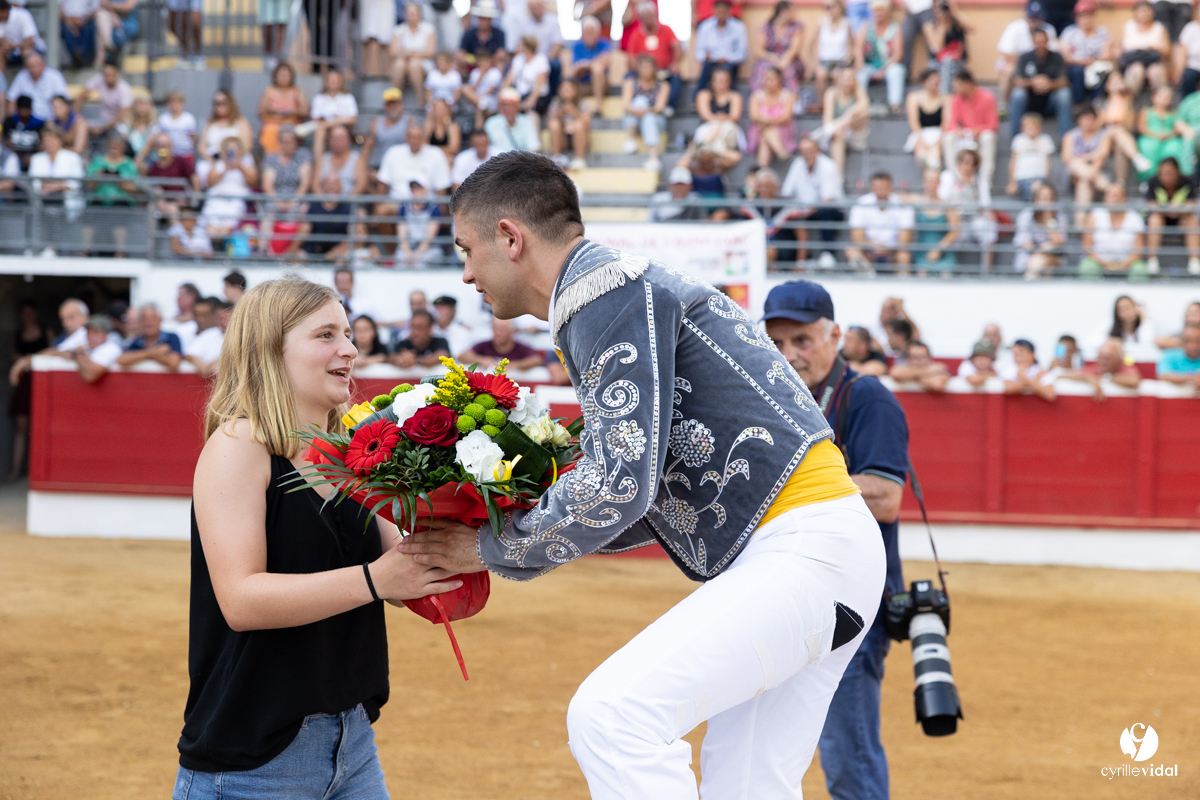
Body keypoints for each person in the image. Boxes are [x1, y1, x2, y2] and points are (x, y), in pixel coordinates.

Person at [406, 152, 886, 799]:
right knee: (746, 789)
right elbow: (636, 493)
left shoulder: (601, 293)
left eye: (466, 249)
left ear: (510, 238)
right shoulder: (616, 287)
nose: (465, 273)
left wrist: (490, 545)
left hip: (801, 549)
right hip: (819, 547)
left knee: (613, 717)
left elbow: (616, 487)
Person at [177, 277, 458, 796]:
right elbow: (241, 600)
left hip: (351, 741)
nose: (350, 349)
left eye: (348, 334)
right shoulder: (240, 444)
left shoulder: (349, 451)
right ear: (270, 348)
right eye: (326, 334)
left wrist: (473, 515)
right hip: (253, 759)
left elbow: (403, 572)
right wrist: (376, 579)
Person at [754, 281, 908, 800]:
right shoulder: (768, 398)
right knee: (768, 745)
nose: (789, 355)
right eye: (775, 343)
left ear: (835, 335)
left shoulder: (865, 396)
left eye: (802, 340)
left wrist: (780, 481)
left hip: (851, 605)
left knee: (847, 754)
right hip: (781, 596)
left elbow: (886, 496)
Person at [778, 136, 846, 264]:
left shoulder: (828, 166)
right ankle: (798, 259)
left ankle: (828, 255)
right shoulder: (798, 163)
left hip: (829, 209)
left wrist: (804, 213)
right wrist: (795, 212)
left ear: (817, 151)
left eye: (810, 151)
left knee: (826, 213)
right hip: (803, 210)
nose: (807, 155)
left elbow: (827, 199)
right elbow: (786, 193)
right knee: (785, 216)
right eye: (803, 152)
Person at [995, 1, 1058, 112]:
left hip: (1042, 67)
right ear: (1025, 16)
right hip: (1019, 65)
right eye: (1031, 18)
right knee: (1008, 69)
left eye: (1037, 18)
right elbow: (1006, 53)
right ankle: (1003, 105)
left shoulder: (1048, 29)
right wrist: (1026, 64)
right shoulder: (1014, 28)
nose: (1034, 21)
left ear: (1042, 17)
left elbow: (1053, 55)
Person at [1010, 29, 1071, 139]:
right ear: (1033, 42)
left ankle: (1065, 138)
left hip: (1050, 102)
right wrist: (1032, 82)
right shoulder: (1024, 57)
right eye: (1037, 42)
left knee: (1064, 94)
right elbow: (1016, 81)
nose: (1040, 45)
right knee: (1017, 94)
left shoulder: (1057, 57)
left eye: (1043, 41)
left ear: (1048, 41)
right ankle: (1016, 137)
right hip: (1029, 102)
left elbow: (1064, 81)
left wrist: (1049, 84)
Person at [847, 172, 915, 272]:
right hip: (868, 252)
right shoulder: (861, 203)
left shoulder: (903, 205)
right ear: (871, 188)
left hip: (893, 253)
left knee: (904, 256)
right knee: (852, 252)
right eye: (877, 188)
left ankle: (902, 285)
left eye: (884, 188)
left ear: (891, 187)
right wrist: (872, 245)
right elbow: (856, 238)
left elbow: (904, 240)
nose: (880, 192)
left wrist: (887, 248)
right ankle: (866, 281)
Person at [1145, 156, 1200, 274]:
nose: (1166, 177)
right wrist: (1169, 210)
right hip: (1161, 219)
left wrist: (1177, 210)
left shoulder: (1187, 182)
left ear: (1177, 172)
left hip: (1182, 219)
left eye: (1169, 173)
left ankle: (1194, 261)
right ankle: (1152, 260)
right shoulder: (1153, 182)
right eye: (1163, 173)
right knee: (1154, 219)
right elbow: (1151, 205)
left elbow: (1191, 205)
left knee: (1192, 220)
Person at [1080, 184, 1148, 278]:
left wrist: (1122, 265)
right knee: (1087, 267)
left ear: (1124, 199)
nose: (1114, 199)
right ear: (1105, 199)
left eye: (1117, 195)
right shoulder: (1095, 215)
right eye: (1110, 195)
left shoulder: (1134, 217)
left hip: (1128, 262)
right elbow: (1088, 248)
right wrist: (1106, 264)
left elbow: (1138, 251)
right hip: (1099, 261)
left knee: (1140, 270)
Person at [625, 3, 684, 110]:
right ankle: (632, 104)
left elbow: (678, 49)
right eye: (643, 17)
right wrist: (641, 70)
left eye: (649, 16)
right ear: (639, 18)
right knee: (628, 76)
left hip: (665, 70)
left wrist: (675, 64)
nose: (646, 19)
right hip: (643, 72)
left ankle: (669, 106)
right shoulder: (636, 35)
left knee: (676, 75)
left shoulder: (666, 29)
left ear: (654, 15)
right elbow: (631, 59)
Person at [198, 136, 257, 240]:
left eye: (234, 148)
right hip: (215, 202)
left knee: (223, 232)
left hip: (235, 203)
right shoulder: (218, 163)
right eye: (228, 148)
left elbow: (253, 182)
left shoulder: (246, 164)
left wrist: (239, 167)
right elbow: (209, 182)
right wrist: (225, 168)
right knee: (211, 232)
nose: (231, 151)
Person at [1063, 106, 1112, 225]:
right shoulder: (1070, 135)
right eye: (1085, 118)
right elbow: (1067, 158)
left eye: (1090, 119)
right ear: (1079, 120)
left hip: (1094, 173)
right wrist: (1091, 156)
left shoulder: (1103, 135)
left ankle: (1080, 225)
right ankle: (1110, 189)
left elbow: (1102, 155)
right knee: (1075, 164)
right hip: (1075, 174)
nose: (1088, 122)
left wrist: (1083, 158)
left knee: (1084, 183)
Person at [621, 55, 670, 172]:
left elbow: (659, 108)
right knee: (639, 101)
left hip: (655, 120)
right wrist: (642, 111)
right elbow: (626, 106)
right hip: (633, 119)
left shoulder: (663, 85)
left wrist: (645, 112)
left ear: (654, 68)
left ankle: (653, 158)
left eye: (648, 67)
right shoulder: (630, 83)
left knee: (648, 117)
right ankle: (631, 139)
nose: (645, 70)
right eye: (642, 67)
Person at [1136, 85, 1195, 181]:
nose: (1167, 99)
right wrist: (1157, 135)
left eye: (1169, 97)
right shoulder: (1146, 111)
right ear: (1154, 97)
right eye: (1163, 96)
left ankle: (1174, 178)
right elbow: (1142, 128)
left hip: (1169, 139)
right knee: (1149, 148)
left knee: (1175, 147)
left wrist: (1168, 135)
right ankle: (1148, 179)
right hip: (1150, 138)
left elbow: (1177, 129)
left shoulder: (1174, 113)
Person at [1061, 0, 1114, 105]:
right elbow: (1066, 57)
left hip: (1096, 64)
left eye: (1089, 16)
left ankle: (1097, 103)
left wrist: (1093, 61)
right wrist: (1083, 62)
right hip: (1077, 65)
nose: (1086, 19)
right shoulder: (1069, 33)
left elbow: (1107, 54)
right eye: (1082, 16)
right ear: (1076, 18)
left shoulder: (1102, 32)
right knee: (1077, 71)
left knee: (1102, 69)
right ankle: (1078, 103)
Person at [819, 66, 869, 175]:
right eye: (845, 78)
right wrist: (839, 127)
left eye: (851, 78)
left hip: (855, 133)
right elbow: (827, 120)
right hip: (836, 134)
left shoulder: (858, 91)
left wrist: (847, 116)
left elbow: (864, 106)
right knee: (838, 135)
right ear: (839, 79)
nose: (848, 82)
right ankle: (838, 176)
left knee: (862, 114)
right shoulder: (831, 93)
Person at [809, 0, 857, 110]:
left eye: (832, 6)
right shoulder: (821, 22)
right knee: (821, 75)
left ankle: (838, 106)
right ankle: (823, 105)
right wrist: (814, 63)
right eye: (826, 7)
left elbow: (852, 45)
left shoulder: (846, 23)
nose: (829, 10)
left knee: (838, 76)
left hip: (840, 61)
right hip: (824, 61)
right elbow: (810, 45)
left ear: (839, 7)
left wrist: (848, 61)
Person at [751, 1, 805, 97]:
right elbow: (758, 50)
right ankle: (761, 100)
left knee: (787, 69)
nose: (795, 13)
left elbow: (794, 48)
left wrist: (784, 60)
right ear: (783, 12)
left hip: (789, 59)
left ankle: (792, 101)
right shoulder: (766, 27)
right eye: (793, 10)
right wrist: (772, 57)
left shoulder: (797, 27)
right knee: (764, 69)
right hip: (770, 58)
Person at [859, 0, 905, 114]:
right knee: (860, 75)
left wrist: (883, 71)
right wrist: (860, 65)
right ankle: (861, 105)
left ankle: (894, 104)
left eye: (881, 10)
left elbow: (897, 54)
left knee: (897, 71)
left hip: (887, 65)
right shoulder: (866, 26)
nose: (878, 13)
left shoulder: (895, 28)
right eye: (876, 10)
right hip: (869, 65)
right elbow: (858, 49)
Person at [694, 0, 748, 95]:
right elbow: (699, 52)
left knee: (729, 70)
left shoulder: (739, 27)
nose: (721, 14)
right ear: (714, 10)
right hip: (711, 62)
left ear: (729, 11)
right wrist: (705, 56)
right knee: (706, 68)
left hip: (730, 63)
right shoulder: (705, 26)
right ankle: (698, 99)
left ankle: (731, 101)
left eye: (724, 11)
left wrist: (727, 58)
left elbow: (742, 53)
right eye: (719, 11)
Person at [1014, 183, 1068, 277]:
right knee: (1039, 263)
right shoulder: (1026, 215)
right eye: (1044, 199)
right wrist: (1043, 249)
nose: (1048, 203)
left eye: (1051, 199)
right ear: (1036, 200)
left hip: (1053, 258)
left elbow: (1059, 243)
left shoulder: (1060, 217)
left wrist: (1049, 220)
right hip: (1029, 257)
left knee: (1042, 263)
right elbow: (1026, 244)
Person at [746, 66, 796, 169]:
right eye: (767, 79)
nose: (769, 82)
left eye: (772, 79)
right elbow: (753, 116)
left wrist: (767, 120)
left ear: (779, 79)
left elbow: (786, 117)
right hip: (759, 131)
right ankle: (781, 152)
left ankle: (761, 170)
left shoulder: (788, 95)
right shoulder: (756, 95)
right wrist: (767, 121)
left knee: (765, 136)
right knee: (765, 133)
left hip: (782, 132)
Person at [1061, 336, 1141, 400]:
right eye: (1101, 357)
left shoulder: (1127, 369)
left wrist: (1105, 378)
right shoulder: (1094, 369)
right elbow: (1065, 376)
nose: (1103, 362)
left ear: (1119, 360)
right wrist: (1088, 378)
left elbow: (1134, 381)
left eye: (1108, 358)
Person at [911, 168, 958, 275]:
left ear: (939, 183)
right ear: (924, 182)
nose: (931, 184)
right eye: (928, 180)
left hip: (943, 251)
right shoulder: (917, 200)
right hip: (922, 251)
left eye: (934, 180)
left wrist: (938, 249)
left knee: (945, 274)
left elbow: (955, 231)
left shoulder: (947, 205)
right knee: (922, 273)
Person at [256, 62, 308, 155]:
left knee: (287, 131)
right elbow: (260, 112)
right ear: (275, 76)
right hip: (273, 122)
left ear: (291, 76)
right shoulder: (269, 91)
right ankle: (272, 158)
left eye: (286, 75)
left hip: (291, 123)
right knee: (270, 130)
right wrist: (273, 111)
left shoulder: (297, 91)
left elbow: (305, 112)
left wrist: (293, 111)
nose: (283, 78)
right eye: (281, 75)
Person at [1120, 0, 1171, 94]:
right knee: (1137, 70)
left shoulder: (1159, 27)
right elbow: (1121, 49)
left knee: (1155, 71)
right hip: (1133, 62)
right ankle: (1131, 99)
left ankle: (1159, 101)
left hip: (1154, 62)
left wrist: (1153, 48)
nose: (1144, 14)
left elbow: (1167, 51)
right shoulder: (1129, 26)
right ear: (1135, 12)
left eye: (1147, 11)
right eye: (1141, 11)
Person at [391, 2, 436, 106]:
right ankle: (394, 100)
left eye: (414, 13)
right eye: (409, 13)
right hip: (404, 63)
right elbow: (393, 51)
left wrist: (411, 54)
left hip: (423, 63)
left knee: (414, 64)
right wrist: (410, 55)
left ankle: (421, 101)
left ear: (419, 14)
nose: (411, 16)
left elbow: (430, 52)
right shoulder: (399, 29)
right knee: (399, 64)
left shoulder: (428, 29)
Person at [459, 316, 544, 370]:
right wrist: (482, 360)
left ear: (512, 331)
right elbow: (462, 356)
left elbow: (537, 360)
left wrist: (512, 366)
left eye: (502, 329)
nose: (497, 333)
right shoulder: (484, 346)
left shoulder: (522, 348)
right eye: (495, 329)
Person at [117, 303, 182, 371]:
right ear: (140, 322)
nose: (149, 323)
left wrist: (140, 355)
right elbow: (122, 360)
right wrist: (152, 353)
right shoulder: (137, 341)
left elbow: (174, 362)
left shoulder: (171, 338)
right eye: (145, 319)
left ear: (160, 320)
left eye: (153, 318)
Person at [904, 69, 946, 173]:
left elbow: (946, 121)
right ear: (924, 81)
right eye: (932, 80)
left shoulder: (946, 98)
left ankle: (933, 172)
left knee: (935, 153)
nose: (935, 84)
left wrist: (939, 139)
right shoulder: (914, 97)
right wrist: (920, 138)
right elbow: (913, 120)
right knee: (921, 153)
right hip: (921, 133)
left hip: (939, 133)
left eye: (938, 81)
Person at [396, 178, 443, 267]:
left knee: (421, 264)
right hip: (409, 249)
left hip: (429, 249)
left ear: (426, 190)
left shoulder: (434, 208)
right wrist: (408, 254)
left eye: (419, 188)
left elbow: (429, 238)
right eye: (413, 188)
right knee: (401, 262)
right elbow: (402, 236)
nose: (415, 191)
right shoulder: (404, 207)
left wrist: (416, 256)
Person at [1007, 112, 1055, 200]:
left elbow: (1048, 162)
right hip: (1022, 177)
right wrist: (1013, 183)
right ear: (1023, 129)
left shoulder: (1045, 140)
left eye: (1036, 128)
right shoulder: (1018, 140)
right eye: (1030, 128)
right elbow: (1013, 162)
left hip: (1040, 176)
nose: (1033, 131)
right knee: (1034, 191)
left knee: (1041, 190)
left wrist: (1048, 178)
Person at [7, 51, 68, 120]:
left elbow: (62, 101)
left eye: (36, 65)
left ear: (43, 65)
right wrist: (12, 121)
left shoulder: (55, 76)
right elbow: (11, 99)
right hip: (27, 122)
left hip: (50, 120)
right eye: (30, 66)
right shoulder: (22, 76)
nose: (33, 69)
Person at [922, 1, 967, 93]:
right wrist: (942, 25)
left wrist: (954, 11)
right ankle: (942, 95)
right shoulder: (929, 26)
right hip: (937, 62)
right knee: (941, 64)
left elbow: (973, 28)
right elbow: (937, 48)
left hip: (957, 62)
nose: (941, 10)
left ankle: (944, 94)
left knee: (948, 62)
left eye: (943, 7)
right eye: (937, 8)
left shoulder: (957, 23)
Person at [198, 90, 253, 165]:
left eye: (222, 103)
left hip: (235, 160)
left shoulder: (240, 122)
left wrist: (233, 159)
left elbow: (247, 145)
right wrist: (209, 158)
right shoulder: (210, 124)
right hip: (213, 160)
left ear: (230, 104)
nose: (219, 107)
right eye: (216, 103)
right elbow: (202, 146)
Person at [505, 35, 552, 123]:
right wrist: (502, 94)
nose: (517, 46)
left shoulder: (541, 59)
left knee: (529, 114)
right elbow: (509, 78)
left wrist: (530, 101)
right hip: (519, 94)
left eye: (520, 44)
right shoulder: (518, 59)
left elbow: (540, 83)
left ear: (526, 46)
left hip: (537, 96)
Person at [81, 58, 131, 139]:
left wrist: (102, 128)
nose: (108, 78)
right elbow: (81, 95)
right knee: (81, 127)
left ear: (117, 73)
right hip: (102, 121)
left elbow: (123, 116)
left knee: (120, 133)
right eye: (106, 75)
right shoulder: (100, 79)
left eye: (111, 74)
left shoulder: (124, 88)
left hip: (118, 125)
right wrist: (77, 116)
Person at [571, 16, 612, 112]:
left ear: (598, 32)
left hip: (601, 84)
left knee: (597, 69)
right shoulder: (577, 46)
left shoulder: (604, 43)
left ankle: (598, 107)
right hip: (582, 84)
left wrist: (585, 64)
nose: (589, 34)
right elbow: (576, 69)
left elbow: (605, 62)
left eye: (592, 31)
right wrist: (593, 64)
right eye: (586, 31)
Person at [315, 123, 366, 197]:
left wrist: (346, 203)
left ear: (349, 140)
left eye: (341, 138)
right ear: (329, 141)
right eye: (334, 138)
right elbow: (315, 185)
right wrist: (325, 203)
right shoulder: (323, 159)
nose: (338, 142)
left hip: (350, 203)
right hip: (325, 204)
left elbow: (361, 185)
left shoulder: (357, 159)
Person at [485, 87, 540, 152]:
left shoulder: (527, 122)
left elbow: (533, 148)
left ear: (517, 106)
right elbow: (485, 149)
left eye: (511, 105)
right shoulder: (491, 123)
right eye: (505, 105)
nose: (507, 108)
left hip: (521, 161)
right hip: (498, 161)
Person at [463, 48, 504, 130]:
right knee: (464, 88)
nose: (483, 64)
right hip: (476, 99)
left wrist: (481, 98)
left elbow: (491, 90)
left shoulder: (495, 72)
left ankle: (479, 131)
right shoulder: (475, 73)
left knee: (480, 106)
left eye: (485, 61)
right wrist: (480, 78)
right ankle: (481, 103)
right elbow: (471, 90)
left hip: (490, 100)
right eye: (481, 61)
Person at [181, 297, 222, 375]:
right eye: (197, 315)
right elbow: (186, 354)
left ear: (214, 315)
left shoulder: (220, 334)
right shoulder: (183, 331)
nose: (201, 319)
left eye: (204, 315)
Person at [310, 70, 358, 135]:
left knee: (339, 131)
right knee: (320, 131)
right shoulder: (319, 98)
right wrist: (336, 120)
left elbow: (353, 120)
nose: (334, 82)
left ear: (341, 82)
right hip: (324, 129)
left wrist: (333, 122)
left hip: (343, 128)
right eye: (331, 80)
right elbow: (315, 119)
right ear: (326, 82)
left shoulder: (348, 98)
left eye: (336, 80)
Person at [0, 0, 45, 68]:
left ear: (5, 11)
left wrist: (13, 46)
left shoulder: (23, 15)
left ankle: (26, 78)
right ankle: (1, 77)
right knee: (1, 51)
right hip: (12, 52)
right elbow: (1, 39)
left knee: (26, 52)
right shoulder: (1, 20)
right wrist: (6, 45)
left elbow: (29, 42)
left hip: (35, 49)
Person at [157, 90, 197, 162]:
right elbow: (161, 137)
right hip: (168, 155)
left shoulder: (189, 118)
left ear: (183, 103)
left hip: (185, 154)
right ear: (167, 104)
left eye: (177, 102)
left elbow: (193, 137)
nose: (174, 105)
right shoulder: (163, 119)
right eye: (171, 102)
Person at [1157, 324, 1200, 389]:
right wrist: (1192, 378)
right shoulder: (1169, 355)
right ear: (1181, 341)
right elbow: (1164, 376)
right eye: (1188, 341)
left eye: (1197, 341)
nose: (1193, 345)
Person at [167, 0, 203, 69]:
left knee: (195, 23)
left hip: (192, 5)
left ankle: (197, 56)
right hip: (176, 5)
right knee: (172, 24)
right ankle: (187, 54)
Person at [1177, 13, 1200, 98]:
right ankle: (1187, 104)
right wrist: (1179, 72)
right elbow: (1182, 51)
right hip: (1193, 65)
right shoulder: (1190, 28)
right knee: (1188, 78)